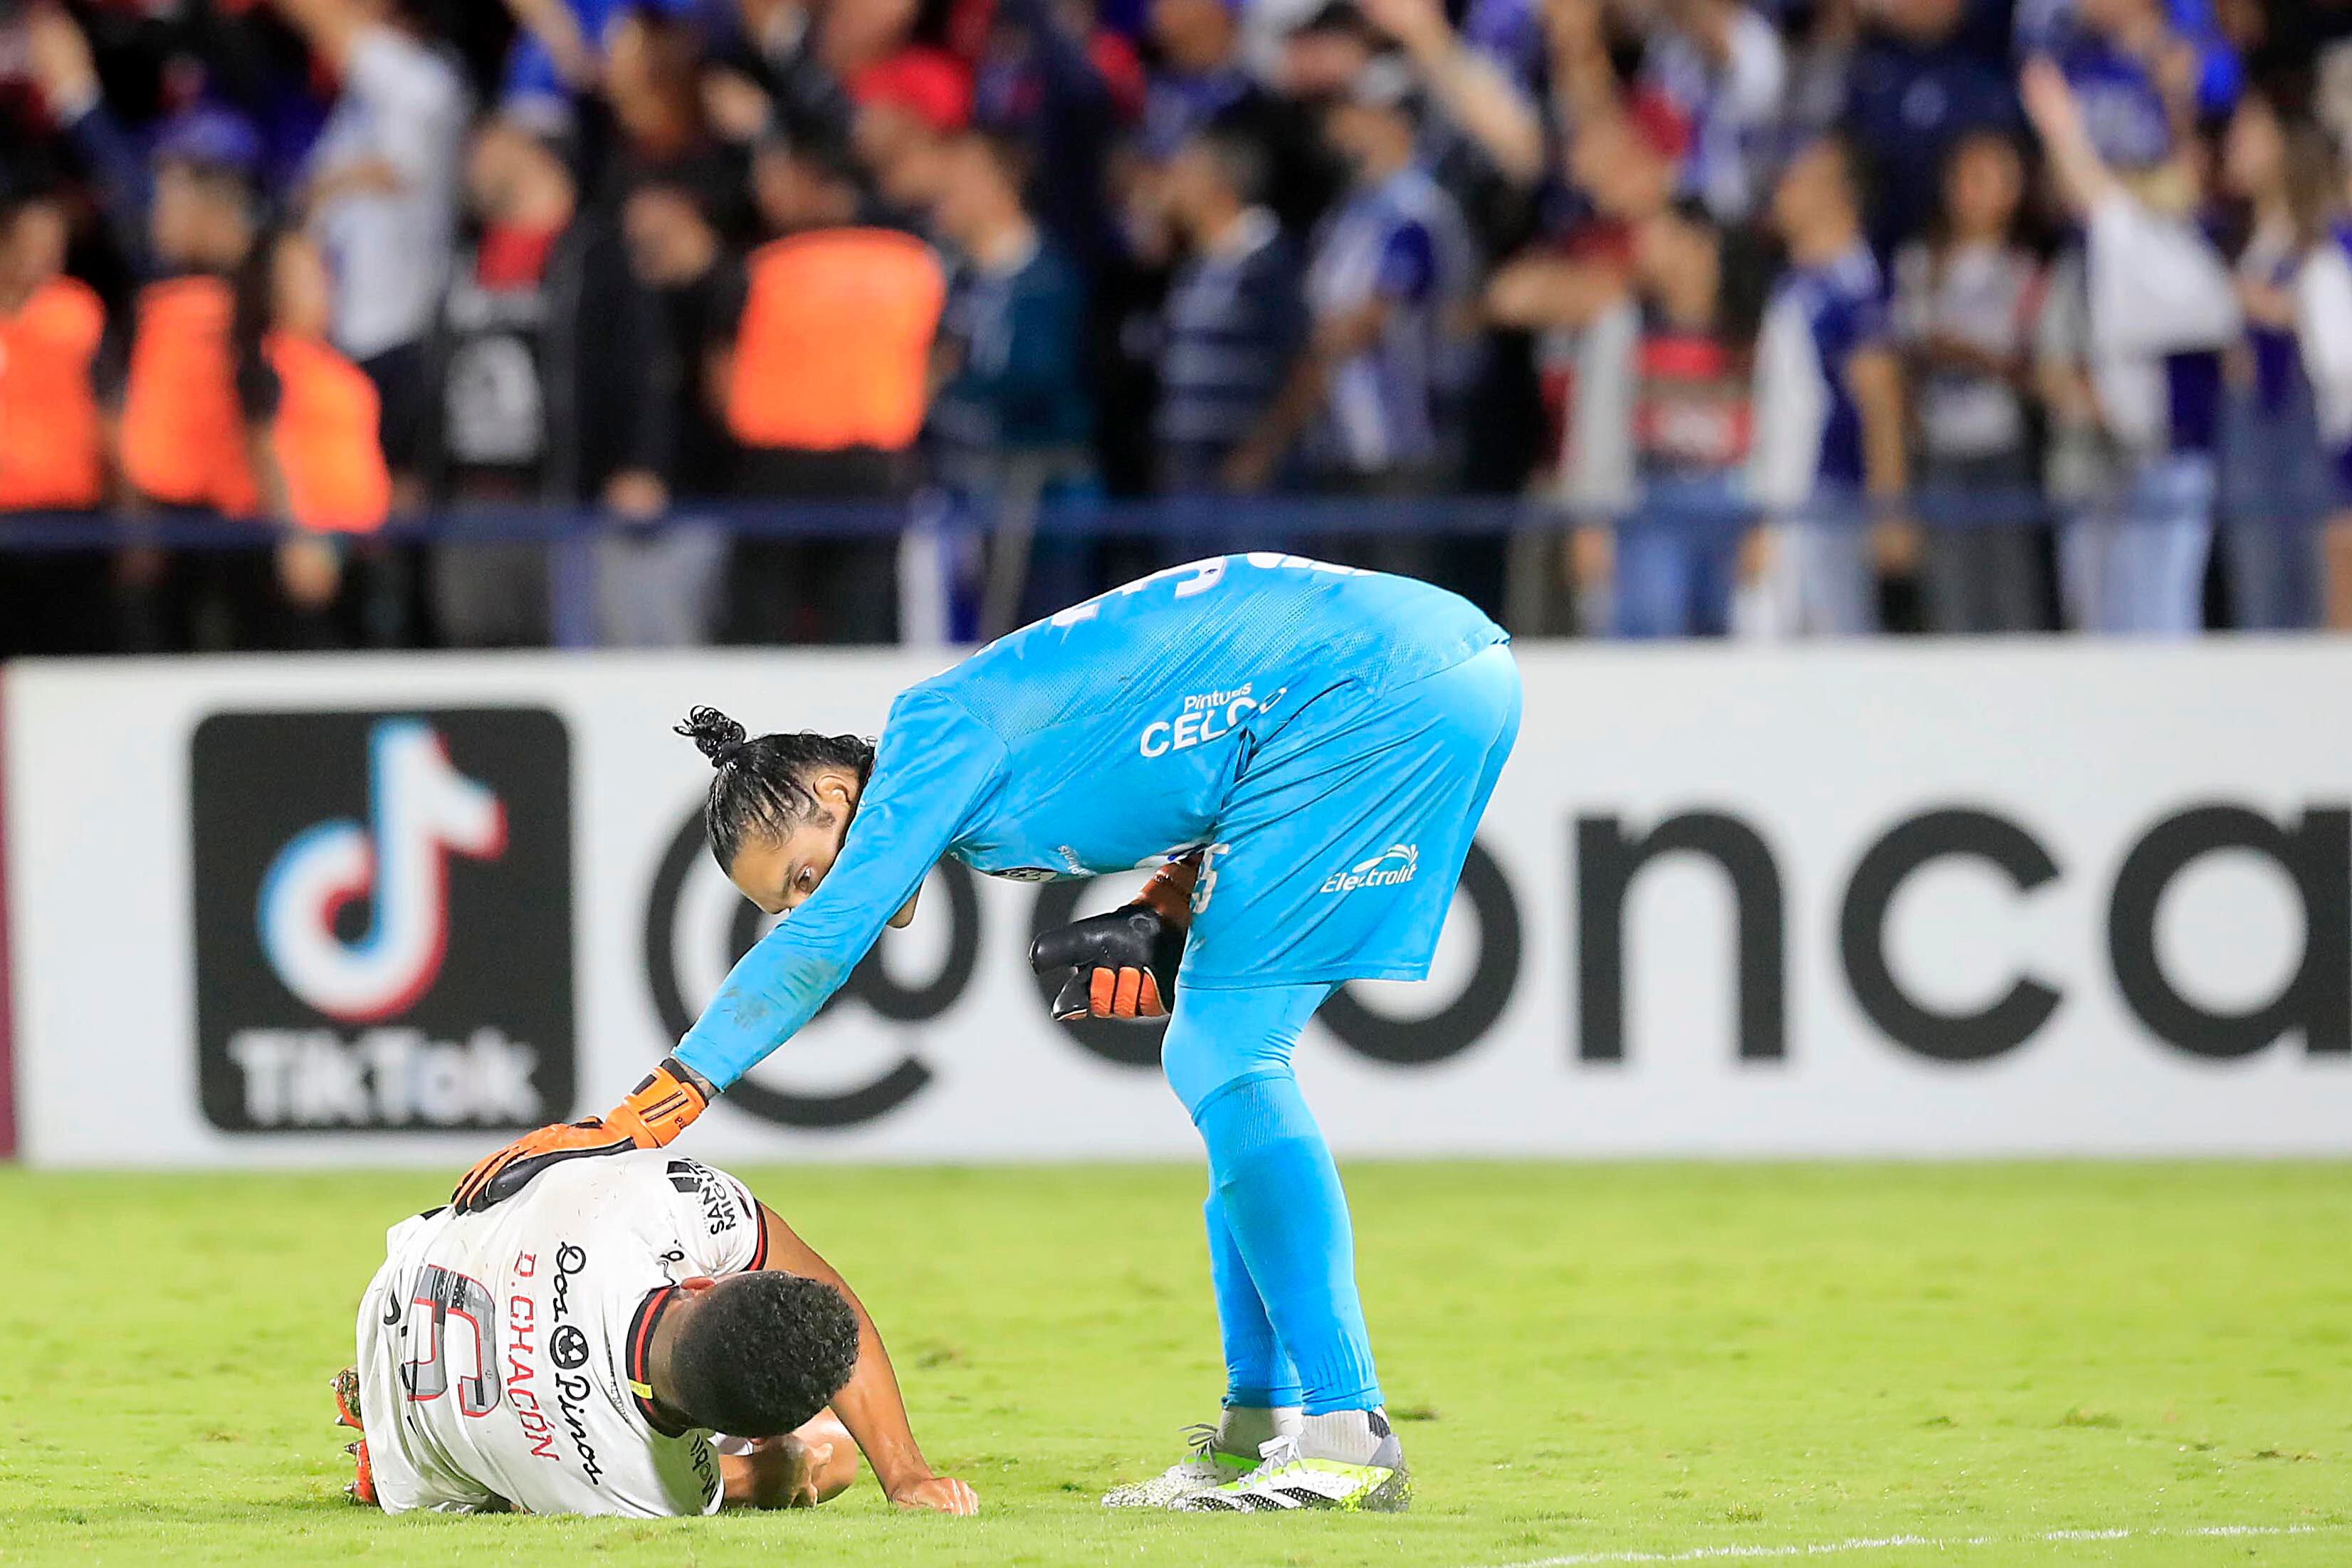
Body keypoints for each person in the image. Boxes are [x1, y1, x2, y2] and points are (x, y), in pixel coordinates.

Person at [452, 553, 1523, 1512]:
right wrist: (1170, 899)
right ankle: (1258, 1437)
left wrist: (655, 1105)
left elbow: (828, 940)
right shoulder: (959, 756)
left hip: (1380, 690)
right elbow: (1213, 733)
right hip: (1405, 674)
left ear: (837, 791)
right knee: (1217, 1052)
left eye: (802, 872)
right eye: (784, 898)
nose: (808, 903)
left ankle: (1344, 1433)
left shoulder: (934, 737)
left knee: (1226, 1051)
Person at [342, 1149, 977, 1517]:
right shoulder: (641, 1483)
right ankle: (383, 1432)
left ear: (703, 1285)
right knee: (833, 1458)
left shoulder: (662, 1199)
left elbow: (825, 1298)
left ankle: (382, 1398)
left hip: (407, 1271)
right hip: (413, 1457)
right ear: (735, 1432)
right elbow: (750, 1474)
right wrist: (891, 1476)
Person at [2023, 56, 2237, 635]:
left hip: (2175, 462)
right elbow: (2107, 206)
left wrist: (2062, 126)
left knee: (2160, 621)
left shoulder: (2181, 252)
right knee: (2119, 623)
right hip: (2134, 459)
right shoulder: (2152, 242)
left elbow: (2102, 202)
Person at [1746, 135, 1912, 637]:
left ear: (1834, 194)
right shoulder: (1799, 281)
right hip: (1791, 498)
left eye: (1795, 180)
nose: (1781, 191)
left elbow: (1881, 400)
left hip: (1832, 499)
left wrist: (1889, 509)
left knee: (1838, 651)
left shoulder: (1852, 283)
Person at [1891, 130, 2049, 633]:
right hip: (1940, 449)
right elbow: (1907, 353)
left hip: (2004, 448)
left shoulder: (2025, 269)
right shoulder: (1921, 264)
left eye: (1986, 179)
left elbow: (2034, 364)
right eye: (1963, 178)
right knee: (1952, 593)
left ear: (2013, 191)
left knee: (2013, 586)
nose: (1971, 192)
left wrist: (1969, 354)